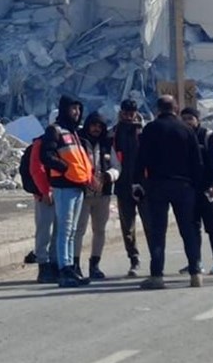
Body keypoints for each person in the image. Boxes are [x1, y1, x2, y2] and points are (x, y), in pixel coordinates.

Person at [136, 95, 204, 290]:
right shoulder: (186, 129)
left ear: (158, 109)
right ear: (176, 108)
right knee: (188, 230)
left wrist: (138, 182)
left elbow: (142, 158)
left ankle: (157, 276)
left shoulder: (151, 129)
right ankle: (195, 273)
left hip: (157, 185)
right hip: (184, 187)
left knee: (158, 231)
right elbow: (196, 161)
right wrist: (196, 186)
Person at [40, 95, 98, 288]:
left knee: (72, 230)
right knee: (64, 229)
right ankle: (64, 269)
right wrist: (65, 169)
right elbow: (46, 155)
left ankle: (71, 267)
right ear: (65, 109)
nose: (77, 113)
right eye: (73, 109)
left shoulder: (73, 133)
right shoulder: (54, 131)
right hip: (64, 186)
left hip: (78, 185)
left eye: (79, 109)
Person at [180, 107, 213, 276]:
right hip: (189, 191)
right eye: (184, 118)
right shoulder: (181, 137)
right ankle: (195, 262)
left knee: (212, 228)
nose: (187, 122)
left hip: (207, 190)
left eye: (190, 118)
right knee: (192, 228)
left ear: (197, 120)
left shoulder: (208, 136)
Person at [74, 112, 119, 280]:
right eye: (93, 125)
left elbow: (117, 167)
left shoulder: (107, 144)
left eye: (99, 126)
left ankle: (95, 264)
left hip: (103, 193)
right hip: (83, 193)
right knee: (79, 230)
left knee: (99, 230)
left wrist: (108, 176)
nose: (96, 129)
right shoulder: (79, 142)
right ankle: (75, 265)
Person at [112, 99, 145, 278]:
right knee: (128, 226)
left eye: (131, 113)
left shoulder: (144, 130)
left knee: (150, 223)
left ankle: (157, 258)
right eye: (125, 113)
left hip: (143, 185)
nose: (128, 116)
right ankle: (134, 258)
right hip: (123, 185)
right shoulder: (115, 132)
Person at [25, 136, 59, 283]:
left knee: (60, 230)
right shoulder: (41, 144)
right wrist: (45, 191)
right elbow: (36, 169)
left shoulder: (66, 140)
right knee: (44, 230)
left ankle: (54, 262)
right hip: (45, 194)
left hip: (62, 191)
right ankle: (43, 265)